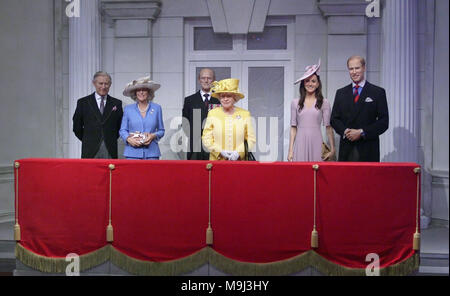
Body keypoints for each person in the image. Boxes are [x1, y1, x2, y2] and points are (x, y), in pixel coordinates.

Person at [330, 55, 389, 162]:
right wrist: (345, 131)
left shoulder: (377, 92)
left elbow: (384, 122)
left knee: (367, 178)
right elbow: (334, 119)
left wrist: (362, 132)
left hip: (368, 148)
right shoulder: (341, 93)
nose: (354, 72)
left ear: (364, 68)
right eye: (351, 69)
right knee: (346, 178)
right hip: (347, 147)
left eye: (357, 68)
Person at [288, 60, 335, 162]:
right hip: (300, 143)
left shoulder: (324, 102)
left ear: (318, 84)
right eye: (307, 81)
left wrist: (332, 149)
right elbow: (293, 128)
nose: (310, 84)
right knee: (300, 175)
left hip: (316, 142)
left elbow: (328, 128)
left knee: (317, 173)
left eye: (313, 81)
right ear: (303, 83)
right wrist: (290, 150)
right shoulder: (295, 103)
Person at [202, 78, 256, 161]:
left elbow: (251, 139)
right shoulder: (212, 113)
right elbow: (206, 138)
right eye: (222, 96)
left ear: (235, 98)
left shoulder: (245, 114)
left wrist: (238, 153)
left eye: (229, 96)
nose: (225, 99)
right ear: (219, 98)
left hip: (239, 162)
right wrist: (220, 151)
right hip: (217, 161)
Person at [73, 71, 123, 159]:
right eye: (100, 83)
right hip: (90, 149)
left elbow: (120, 126)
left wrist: (109, 138)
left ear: (110, 84)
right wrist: (88, 139)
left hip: (110, 149)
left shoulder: (117, 103)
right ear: (94, 83)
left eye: (106, 84)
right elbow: (77, 127)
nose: (103, 87)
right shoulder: (83, 102)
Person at [119, 76, 165, 160]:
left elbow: (161, 130)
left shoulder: (157, 108)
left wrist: (152, 135)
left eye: (144, 90)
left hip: (152, 153)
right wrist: (129, 139)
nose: (141, 92)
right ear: (135, 93)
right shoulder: (128, 109)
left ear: (149, 92)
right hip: (132, 153)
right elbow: (122, 130)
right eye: (138, 90)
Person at [182, 68, 221, 160]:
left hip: (215, 145)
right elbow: (185, 122)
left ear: (214, 80)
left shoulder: (220, 99)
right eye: (203, 78)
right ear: (199, 80)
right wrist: (195, 137)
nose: (206, 81)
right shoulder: (189, 100)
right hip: (195, 146)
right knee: (195, 173)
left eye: (209, 78)